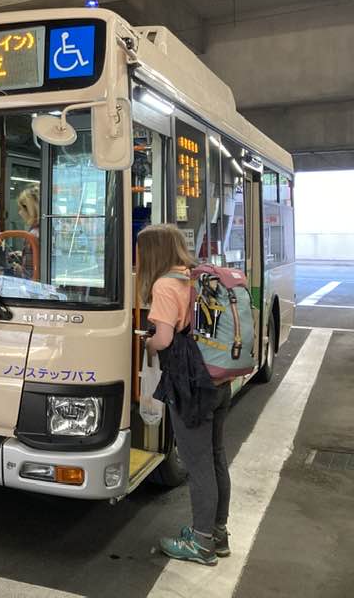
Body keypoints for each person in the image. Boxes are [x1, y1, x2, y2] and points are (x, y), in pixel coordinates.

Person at [137, 224, 231, 567]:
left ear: (153, 252)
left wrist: (145, 343)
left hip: (190, 385)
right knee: (216, 457)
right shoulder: (195, 277)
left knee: (198, 464)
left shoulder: (164, 285)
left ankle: (202, 543)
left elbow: (162, 339)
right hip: (217, 381)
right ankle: (217, 535)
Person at [10, 184, 41, 278]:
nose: (19, 213)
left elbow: (31, 276)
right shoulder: (43, 230)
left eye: (21, 209)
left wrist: (19, 270)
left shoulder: (31, 236)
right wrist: (22, 254)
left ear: (30, 210)